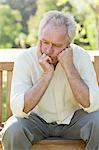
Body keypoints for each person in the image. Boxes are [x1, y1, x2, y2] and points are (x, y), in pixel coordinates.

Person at [1, 10, 99, 150]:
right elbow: (18, 110)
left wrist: (70, 68)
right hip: (36, 122)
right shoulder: (25, 59)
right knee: (13, 130)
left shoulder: (81, 56)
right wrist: (46, 75)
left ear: (68, 44)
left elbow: (92, 105)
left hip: (74, 120)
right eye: (44, 42)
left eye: (56, 45)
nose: (48, 50)